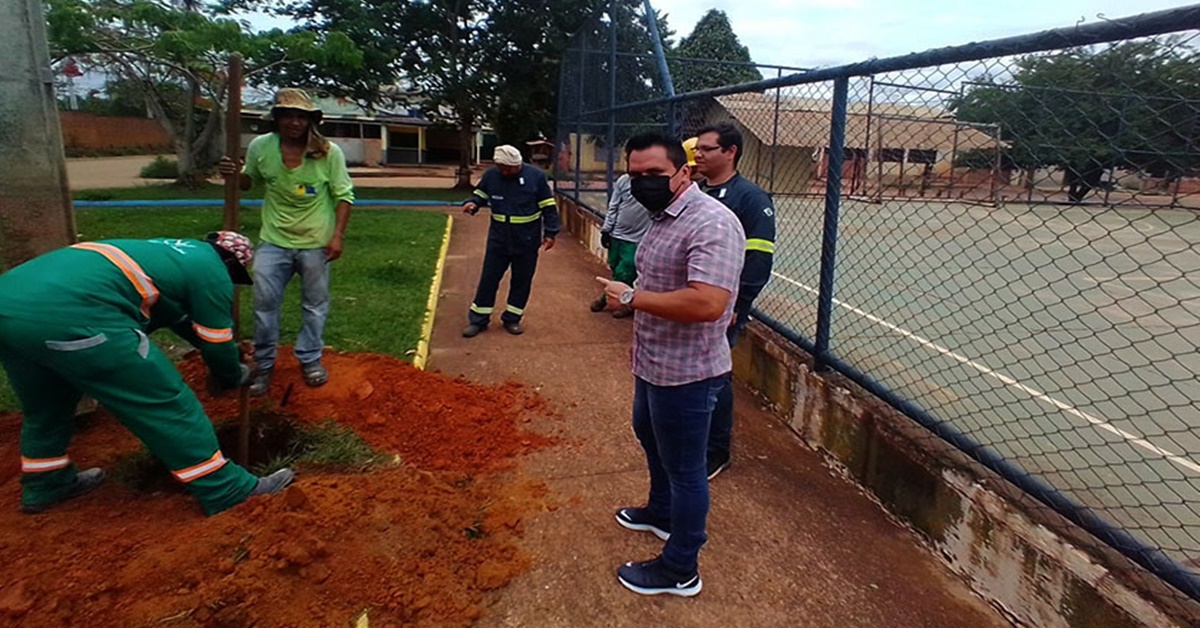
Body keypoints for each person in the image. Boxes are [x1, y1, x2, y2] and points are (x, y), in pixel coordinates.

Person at [0, 232, 295, 516]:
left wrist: (223, 351)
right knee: (163, 400)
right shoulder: (213, 270)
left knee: (48, 404)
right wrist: (233, 373)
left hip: (10, 309)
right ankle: (226, 489)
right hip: (73, 315)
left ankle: (45, 483)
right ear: (231, 263)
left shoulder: (165, 254)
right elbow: (217, 343)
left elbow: (175, 316)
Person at [596, 132, 745, 597]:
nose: (643, 184)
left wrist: (632, 297)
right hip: (654, 361)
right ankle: (661, 514)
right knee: (650, 438)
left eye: (654, 175)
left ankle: (681, 567)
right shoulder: (661, 216)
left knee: (686, 468)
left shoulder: (711, 223)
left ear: (684, 171)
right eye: (635, 175)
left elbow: (707, 303)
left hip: (690, 372)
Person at [218, 88, 354, 397]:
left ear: (310, 121)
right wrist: (233, 174)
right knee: (264, 306)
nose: (294, 122)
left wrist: (337, 236)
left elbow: (344, 195)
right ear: (277, 119)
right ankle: (264, 367)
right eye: (288, 116)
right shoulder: (261, 148)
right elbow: (248, 182)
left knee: (315, 305)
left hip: (315, 242)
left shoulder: (327, 152)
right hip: (274, 241)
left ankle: (310, 360)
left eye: (301, 117)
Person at [690, 124, 776, 480]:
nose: (699, 154)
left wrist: (739, 304)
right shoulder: (696, 190)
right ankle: (695, 436)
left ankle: (716, 451)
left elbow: (759, 258)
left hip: (725, 306)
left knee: (716, 376)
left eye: (708, 149)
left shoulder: (750, 198)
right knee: (692, 373)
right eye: (698, 149)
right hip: (693, 299)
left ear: (730, 152)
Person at [461, 145, 561, 337]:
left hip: (527, 240)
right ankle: (479, 320)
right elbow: (480, 194)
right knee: (488, 279)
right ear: (498, 165)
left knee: (521, 281)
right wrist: (472, 203)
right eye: (504, 168)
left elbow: (548, 207)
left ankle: (512, 319)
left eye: (513, 168)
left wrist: (550, 233)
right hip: (498, 239)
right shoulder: (491, 176)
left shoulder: (536, 177)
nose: (509, 171)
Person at [590, 172, 652, 318]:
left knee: (626, 269)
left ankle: (612, 301)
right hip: (617, 234)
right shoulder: (624, 180)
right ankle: (621, 296)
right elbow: (614, 205)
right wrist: (606, 229)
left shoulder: (654, 182)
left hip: (638, 237)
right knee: (615, 266)